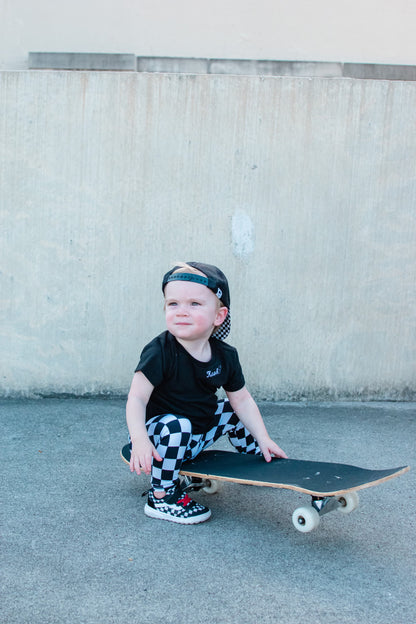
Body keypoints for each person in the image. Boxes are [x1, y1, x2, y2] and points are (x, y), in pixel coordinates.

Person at [126, 261, 287, 524]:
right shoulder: (160, 351)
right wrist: (140, 440)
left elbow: (242, 400)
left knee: (230, 409)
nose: (181, 311)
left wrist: (264, 437)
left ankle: (255, 459)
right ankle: (161, 496)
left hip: (197, 435)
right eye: (173, 304)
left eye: (194, 304)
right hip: (159, 439)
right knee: (178, 425)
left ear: (219, 316)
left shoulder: (225, 355)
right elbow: (137, 398)